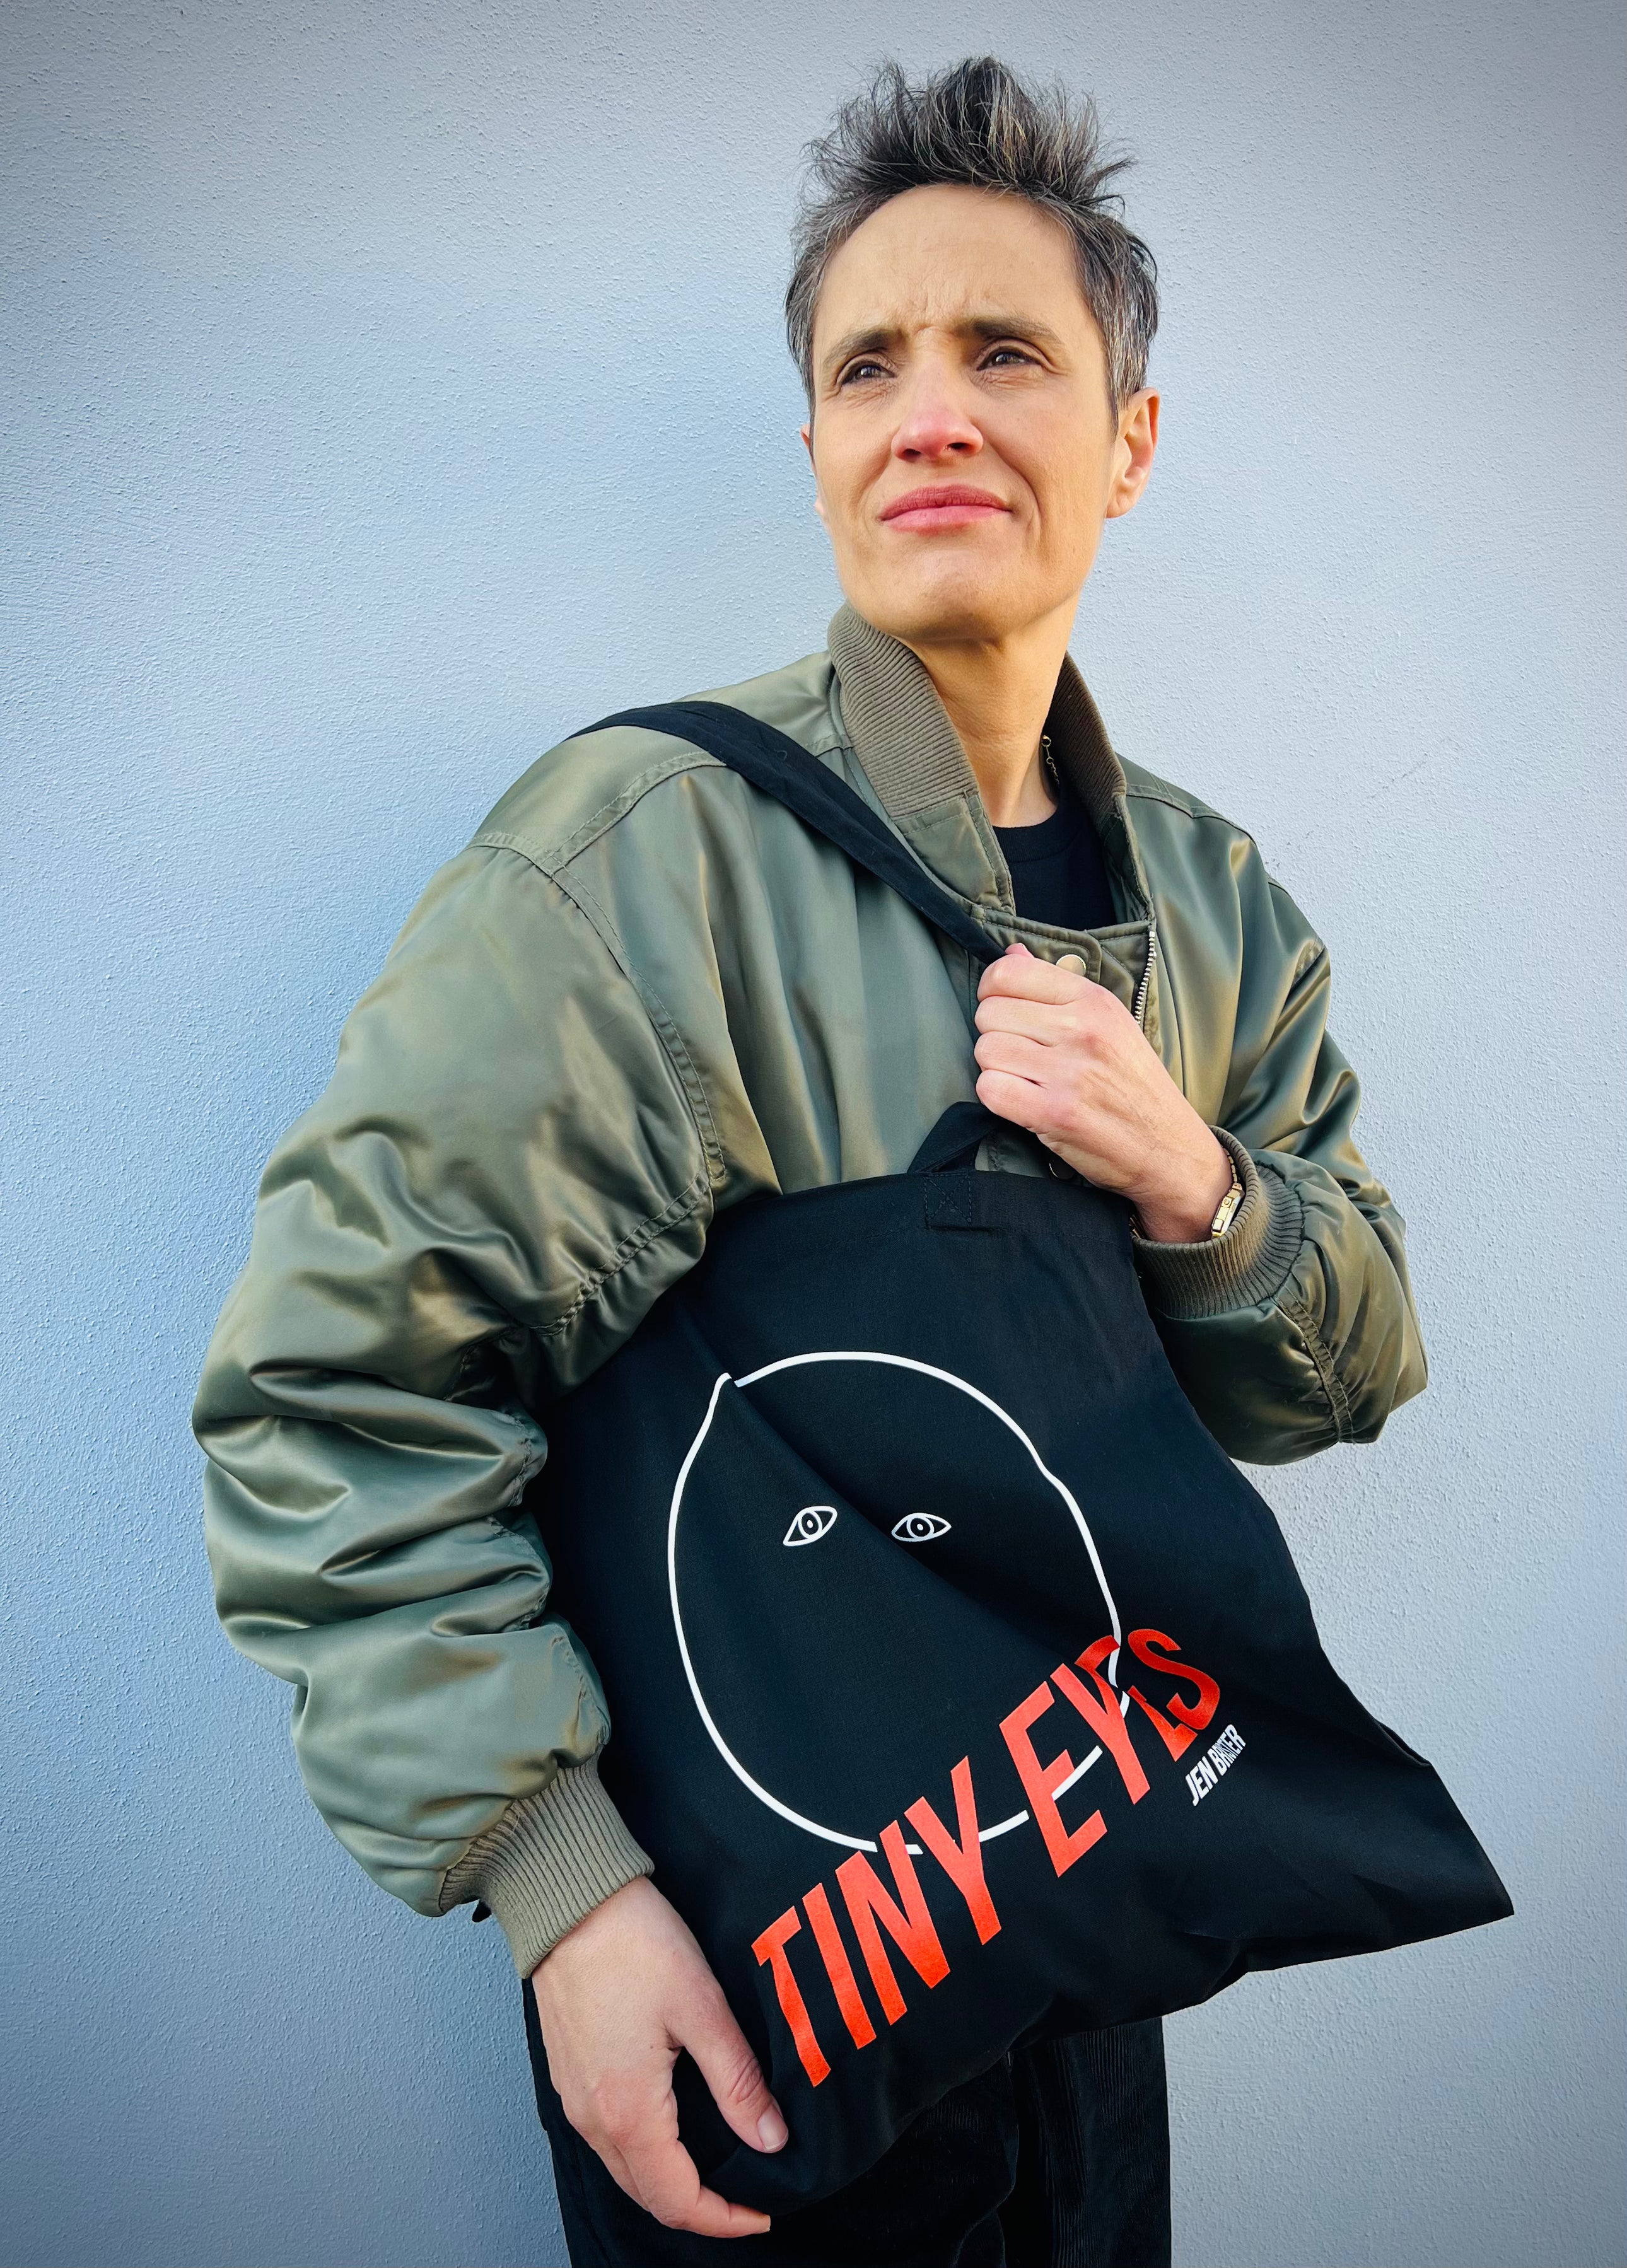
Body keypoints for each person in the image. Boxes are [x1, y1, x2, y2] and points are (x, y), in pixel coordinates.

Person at [195, 54, 1426, 2268]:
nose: (928, 410)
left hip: (1089, 1911)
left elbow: (1335, 1369)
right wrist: (560, 1900)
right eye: (869, 362)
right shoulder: (636, 863)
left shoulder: (1219, 916)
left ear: (1126, 443)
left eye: (1004, 353)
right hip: (760, 1970)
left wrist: (1194, 1182)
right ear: (819, 446)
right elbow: (332, 1397)